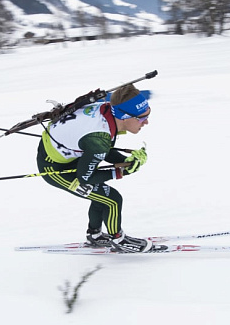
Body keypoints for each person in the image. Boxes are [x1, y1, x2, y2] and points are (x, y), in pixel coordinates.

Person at [36, 84, 153, 252]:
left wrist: (126, 161)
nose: (146, 122)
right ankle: (118, 240)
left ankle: (95, 235)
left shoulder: (106, 111)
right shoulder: (99, 137)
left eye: (148, 115)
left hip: (68, 152)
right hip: (54, 169)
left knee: (101, 195)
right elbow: (85, 178)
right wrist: (122, 171)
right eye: (142, 118)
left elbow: (102, 149)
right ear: (125, 117)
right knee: (112, 199)